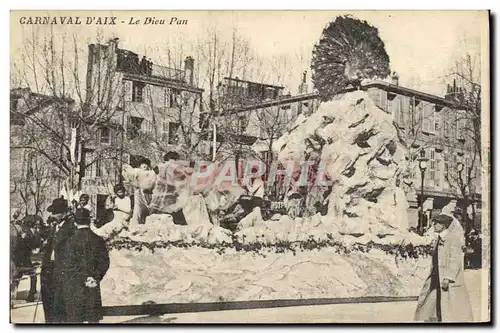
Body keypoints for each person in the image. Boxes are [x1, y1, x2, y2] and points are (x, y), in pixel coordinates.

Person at [414, 214, 474, 323]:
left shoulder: (452, 239)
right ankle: (434, 320)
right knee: (431, 301)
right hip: (436, 276)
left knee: (451, 306)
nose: (434, 225)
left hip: (448, 279)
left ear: (443, 226)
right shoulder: (438, 238)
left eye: (436, 223)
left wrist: (448, 277)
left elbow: (455, 260)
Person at [64, 208, 110, 323]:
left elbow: (68, 265)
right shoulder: (98, 240)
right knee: (92, 320)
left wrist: (83, 278)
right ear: (89, 221)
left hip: (75, 286)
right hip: (93, 285)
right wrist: (94, 277)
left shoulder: (70, 241)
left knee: (76, 320)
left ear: (75, 222)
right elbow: (105, 262)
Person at [40, 198, 76, 323]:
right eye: (52, 212)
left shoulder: (71, 228)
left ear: (64, 214)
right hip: (49, 271)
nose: (52, 215)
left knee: (59, 307)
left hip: (61, 272)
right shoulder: (53, 227)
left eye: (55, 213)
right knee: (49, 305)